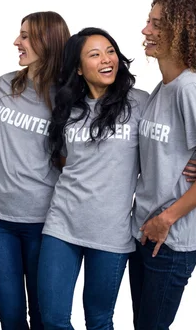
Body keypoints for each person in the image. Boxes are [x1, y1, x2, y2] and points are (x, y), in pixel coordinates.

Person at [129, 0, 196, 330]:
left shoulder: (190, 88)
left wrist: (166, 218)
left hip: (171, 238)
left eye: (157, 25)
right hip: (146, 230)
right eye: (148, 22)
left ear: (180, 32)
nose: (146, 31)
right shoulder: (163, 88)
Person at [37, 27, 148, 330]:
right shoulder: (68, 108)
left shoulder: (140, 103)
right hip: (62, 225)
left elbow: (164, 146)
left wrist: (192, 159)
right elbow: (63, 161)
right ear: (78, 67)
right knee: (53, 320)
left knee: (99, 322)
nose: (106, 59)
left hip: (111, 233)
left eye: (110, 51)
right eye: (94, 54)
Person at [0, 11, 70, 330]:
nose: (17, 42)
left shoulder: (67, 97)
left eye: (26, 36)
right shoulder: (5, 84)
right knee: (12, 317)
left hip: (44, 224)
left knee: (45, 318)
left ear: (48, 42)